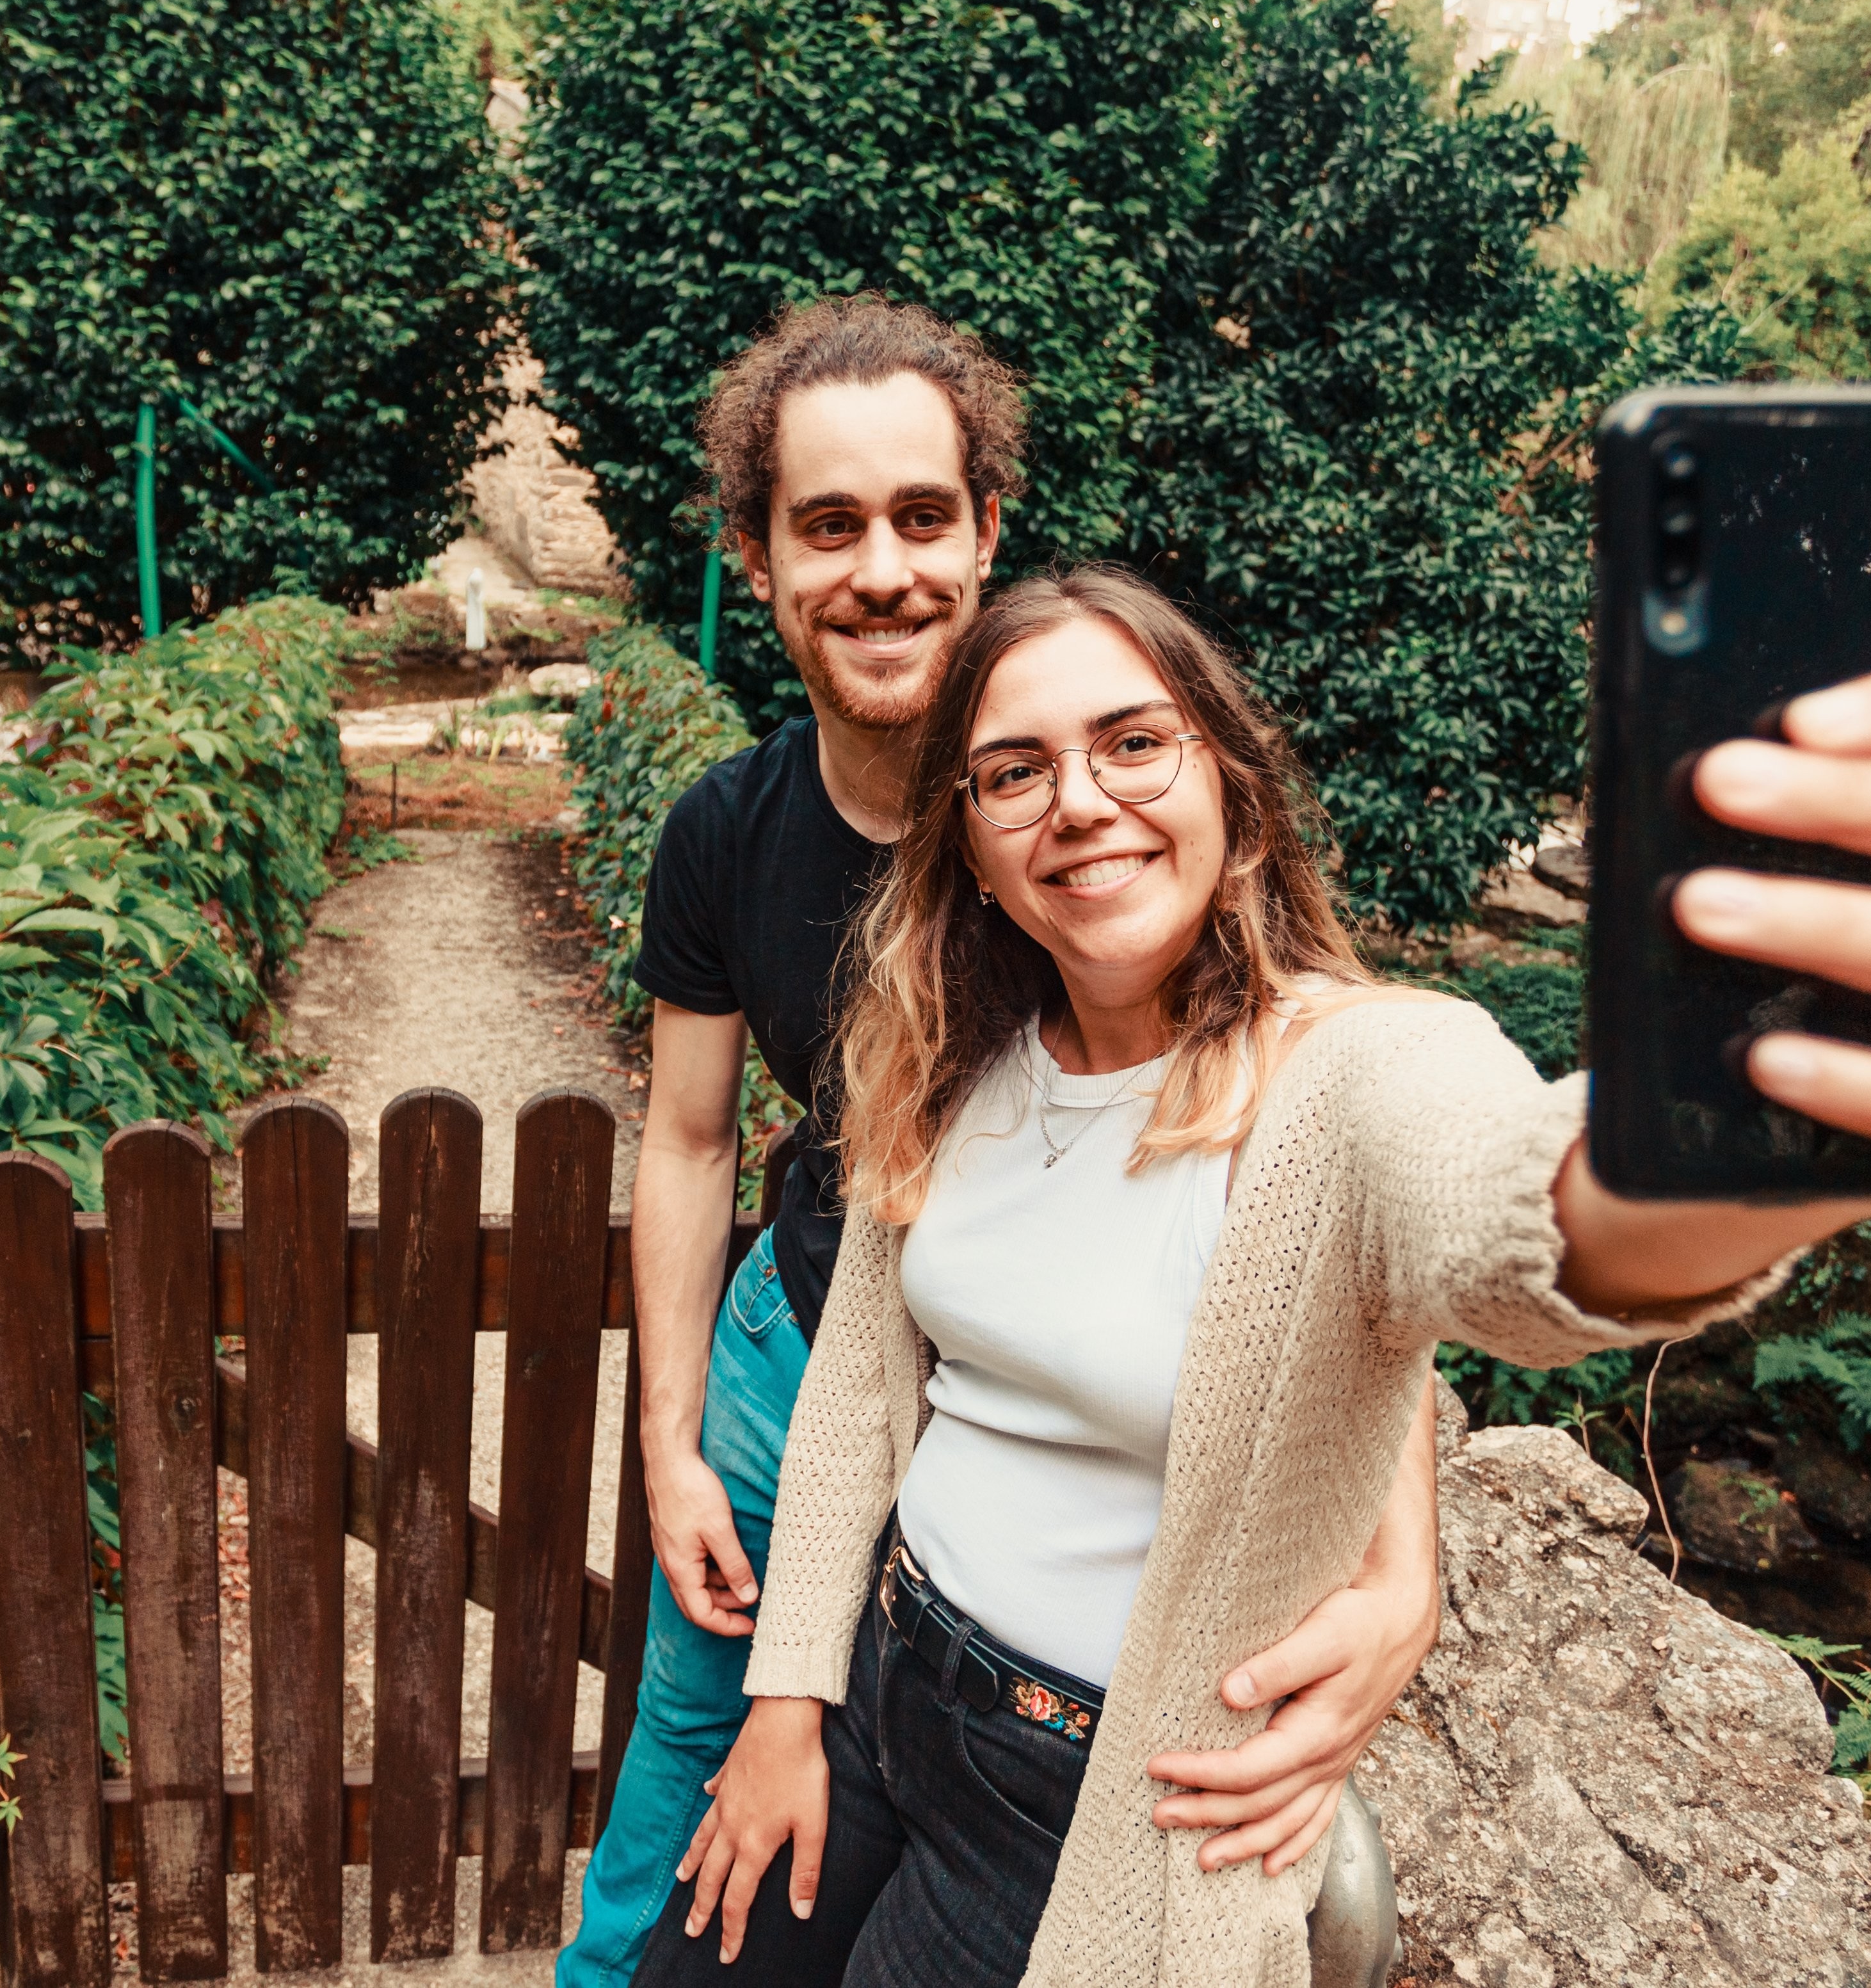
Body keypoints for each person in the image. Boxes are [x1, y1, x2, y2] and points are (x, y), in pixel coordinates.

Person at [643, 566, 1871, 1985]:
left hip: (1082, 1801)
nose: (1079, 801)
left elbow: (1512, 1221)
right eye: (1014, 771)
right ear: (967, 836)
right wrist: (788, 1702)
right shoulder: (951, 1052)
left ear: (1229, 782)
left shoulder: (1360, 1067)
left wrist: (1753, 1118)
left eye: (1132, 743)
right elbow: (860, 1379)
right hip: (871, 1686)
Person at [561, 307, 1447, 1987]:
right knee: (696, 1770)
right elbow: (683, 1144)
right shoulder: (724, 833)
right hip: (801, 1366)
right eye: (827, 525)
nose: (881, 568)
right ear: (756, 559)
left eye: (921, 516)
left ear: (984, 533)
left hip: (1037, 1417)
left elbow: (1333, 1198)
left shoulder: (1109, 842)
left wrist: (1400, 1564)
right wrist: (675, 1444)